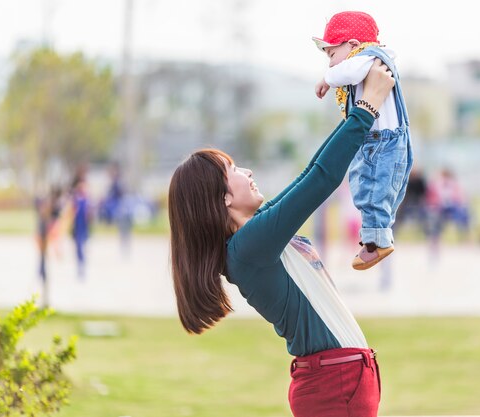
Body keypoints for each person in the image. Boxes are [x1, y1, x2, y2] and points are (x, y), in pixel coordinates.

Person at [168, 61, 394, 417]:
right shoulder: (249, 248)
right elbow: (320, 180)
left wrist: (358, 107)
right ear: (223, 198)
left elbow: (311, 172)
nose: (248, 172)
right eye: (235, 170)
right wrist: (367, 108)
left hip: (341, 383)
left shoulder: (255, 236)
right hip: (335, 387)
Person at [313, 11, 413, 270]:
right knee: (383, 190)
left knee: (369, 189)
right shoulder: (376, 61)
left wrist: (326, 79)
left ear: (354, 45)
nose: (331, 64)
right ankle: (379, 237)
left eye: (332, 54)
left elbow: (348, 71)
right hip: (389, 140)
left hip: (380, 142)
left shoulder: (368, 59)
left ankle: (375, 243)